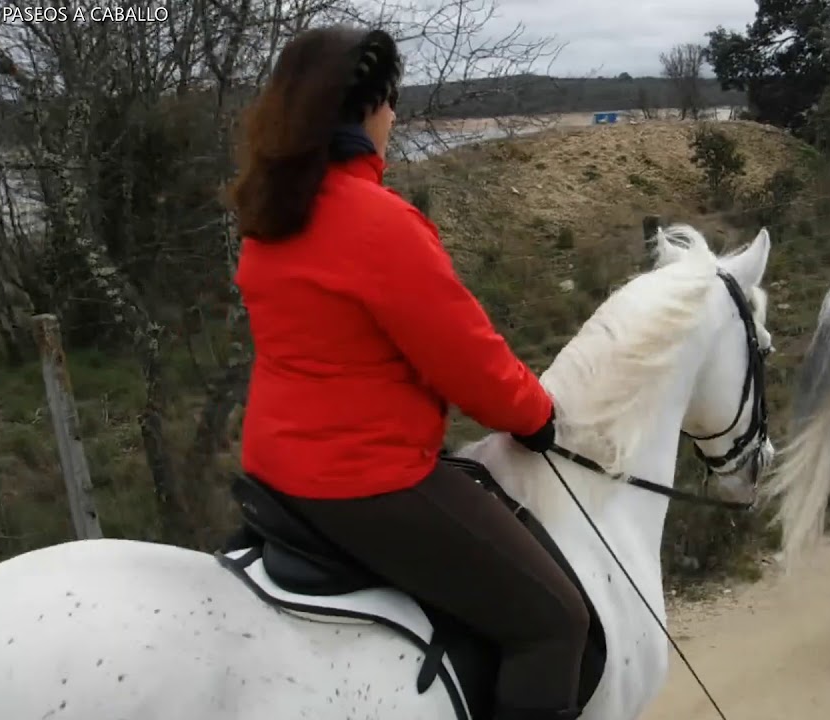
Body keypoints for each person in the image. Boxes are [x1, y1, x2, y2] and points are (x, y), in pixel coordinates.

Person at [224, 25, 588, 720]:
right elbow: (471, 364)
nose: (393, 118)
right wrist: (536, 414)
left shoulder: (269, 213)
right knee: (552, 624)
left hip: (277, 470)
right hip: (366, 481)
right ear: (368, 109)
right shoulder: (379, 224)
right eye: (391, 103)